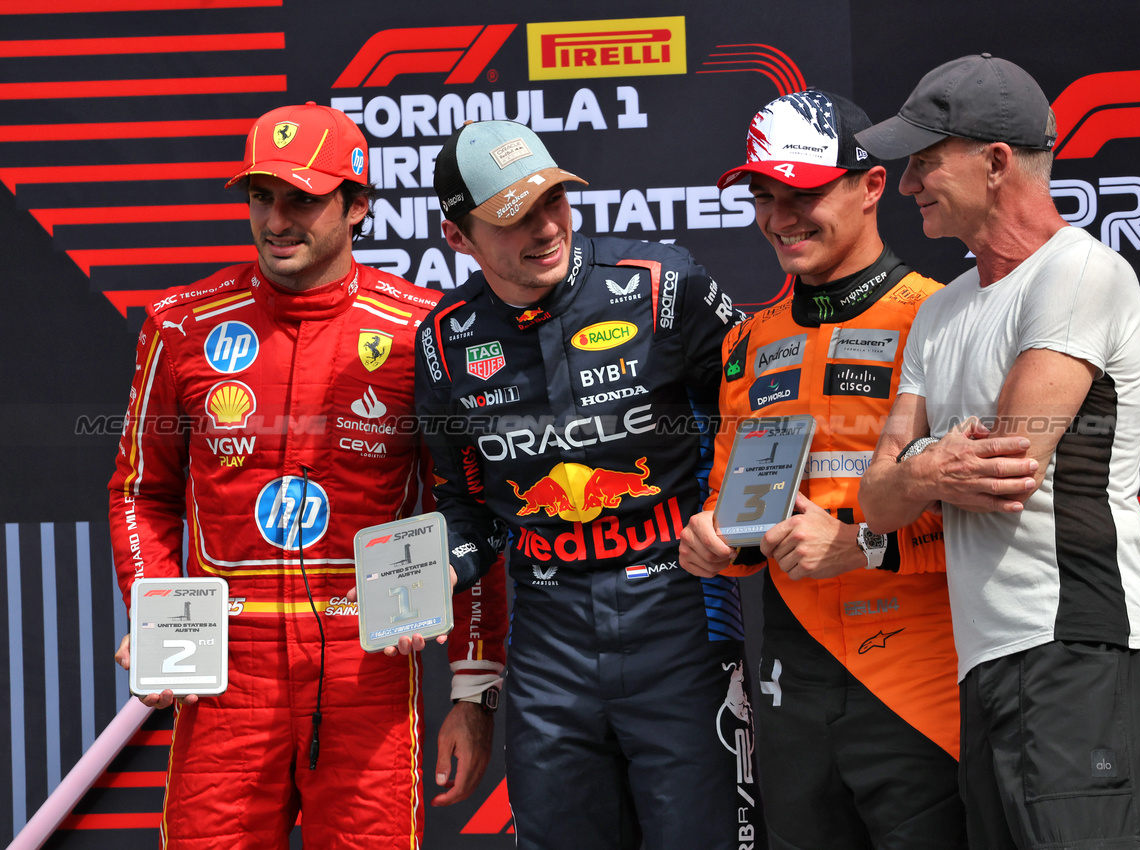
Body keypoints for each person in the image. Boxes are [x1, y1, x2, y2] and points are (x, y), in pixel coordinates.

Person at [107, 101, 507, 849]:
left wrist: (474, 687)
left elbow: (470, 508)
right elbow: (140, 491)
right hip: (225, 663)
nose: (276, 220)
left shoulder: (425, 328)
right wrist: (150, 606)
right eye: (261, 197)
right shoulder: (181, 324)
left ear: (357, 205)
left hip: (370, 663)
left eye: (302, 198)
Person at [855, 55, 1140, 849]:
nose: (906, 185)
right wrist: (927, 468)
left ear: (995, 162)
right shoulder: (939, 313)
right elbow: (875, 500)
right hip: (988, 659)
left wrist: (914, 466)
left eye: (924, 163)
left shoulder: (1079, 273)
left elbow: (1007, 466)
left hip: (1076, 643)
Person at [416, 119, 763, 850]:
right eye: (512, 217)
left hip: (679, 614)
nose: (544, 228)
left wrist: (738, 519)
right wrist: (437, 568)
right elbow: (467, 507)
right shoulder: (443, 340)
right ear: (459, 237)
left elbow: (760, 413)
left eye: (553, 201)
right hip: (548, 638)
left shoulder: (664, 284)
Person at [679, 89, 965, 849]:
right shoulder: (748, 340)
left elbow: (996, 518)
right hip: (791, 681)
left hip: (919, 678)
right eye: (763, 196)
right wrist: (713, 539)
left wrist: (860, 544)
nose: (780, 217)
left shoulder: (940, 318)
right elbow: (733, 511)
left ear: (872, 186)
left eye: (802, 192)